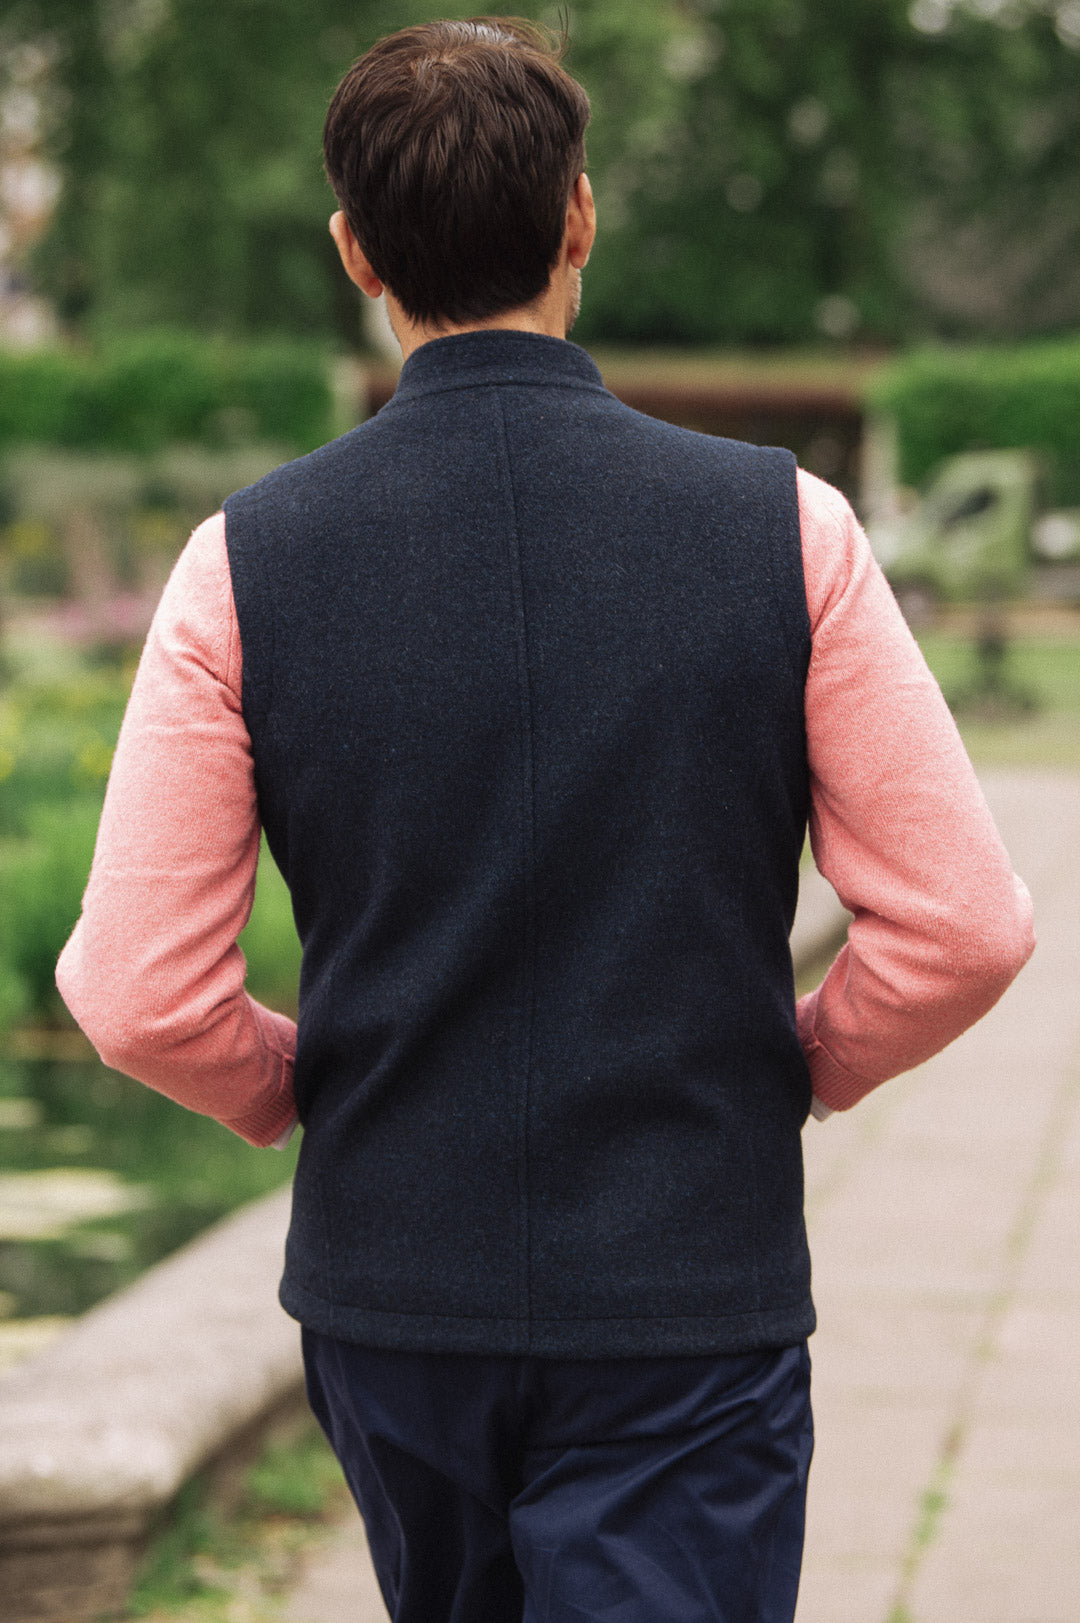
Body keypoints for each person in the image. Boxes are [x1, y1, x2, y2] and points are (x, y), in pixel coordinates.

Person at [57, 17, 1035, 1623]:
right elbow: (968, 925)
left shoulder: (242, 563)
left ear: (356, 253)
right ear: (580, 217)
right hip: (685, 1281)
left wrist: (304, 1089)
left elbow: (133, 992)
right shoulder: (787, 530)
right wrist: (795, 1065)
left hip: (394, 1288)